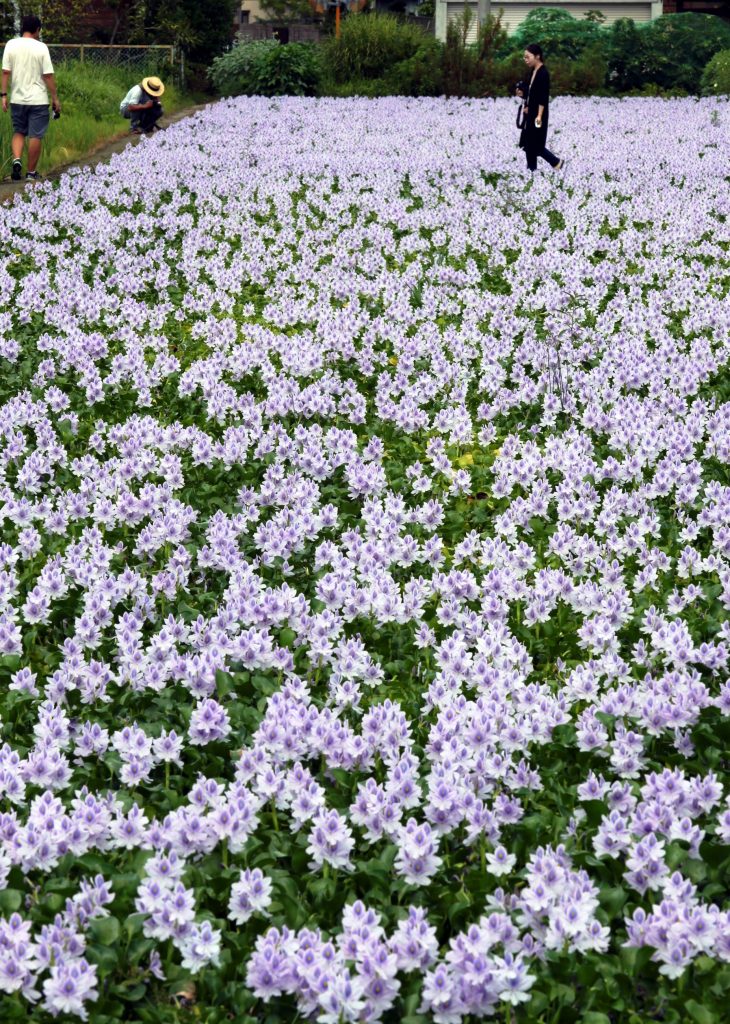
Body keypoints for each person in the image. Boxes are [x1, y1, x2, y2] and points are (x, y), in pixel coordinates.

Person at [1, 14, 61, 182]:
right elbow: (48, 76)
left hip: (17, 99)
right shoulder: (41, 47)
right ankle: (31, 173)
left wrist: (3, 95)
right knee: (36, 135)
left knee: (19, 131)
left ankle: (17, 160)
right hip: (38, 100)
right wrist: (55, 98)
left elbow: (5, 72)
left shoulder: (11, 45)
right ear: (37, 30)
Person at [520, 44, 565, 174]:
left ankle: (556, 162)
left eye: (528, 57)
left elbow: (543, 97)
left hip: (539, 115)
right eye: (524, 57)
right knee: (529, 144)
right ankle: (532, 171)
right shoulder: (533, 71)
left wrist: (538, 116)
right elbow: (531, 94)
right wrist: (524, 98)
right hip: (532, 113)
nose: (526, 60)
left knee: (536, 145)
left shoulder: (543, 73)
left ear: (537, 56)